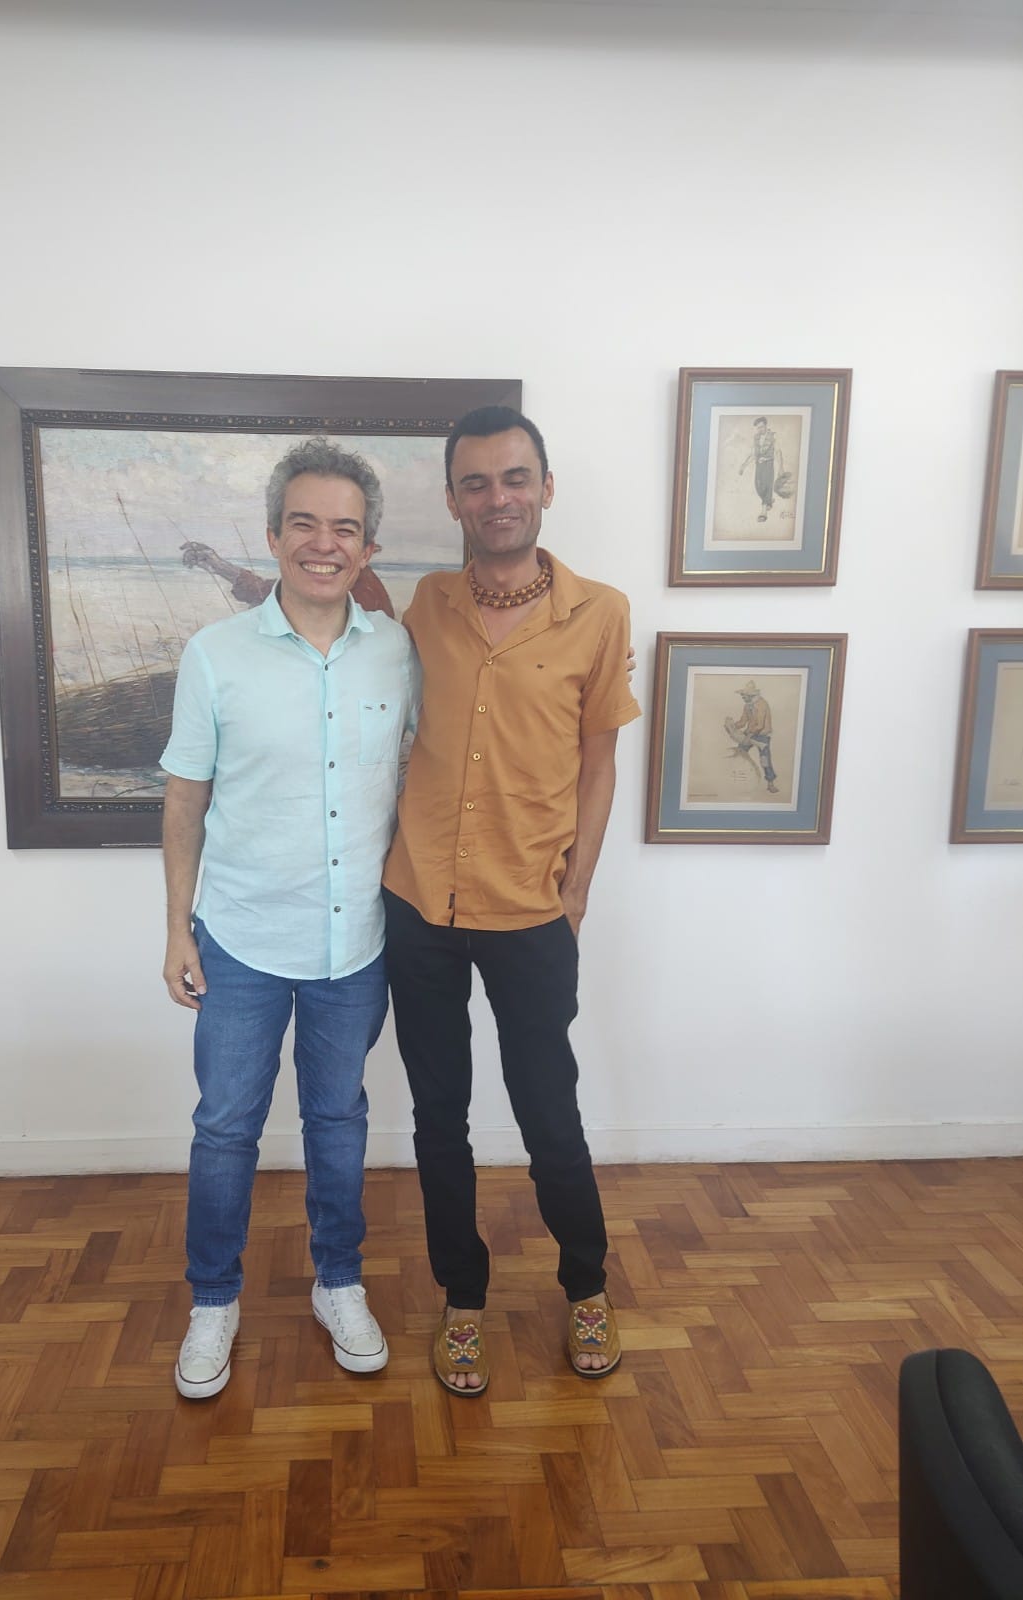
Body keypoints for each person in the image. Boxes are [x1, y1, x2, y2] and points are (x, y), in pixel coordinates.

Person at [381, 405, 641, 1394]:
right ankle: (462, 1299)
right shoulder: (426, 604)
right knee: (437, 1117)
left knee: (548, 1114)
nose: (498, 497)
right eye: (477, 482)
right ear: (453, 500)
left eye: (514, 477)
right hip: (419, 904)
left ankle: (586, 1287)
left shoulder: (600, 612)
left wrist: (575, 892)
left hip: (531, 911)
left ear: (545, 487)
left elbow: (598, 764)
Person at [160, 436, 419, 1399]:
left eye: (343, 528)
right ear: (272, 537)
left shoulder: (397, 651)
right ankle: (213, 1300)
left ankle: (337, 1282)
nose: (323, 543)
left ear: (367, 548)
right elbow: (185, 799)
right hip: (240, 938)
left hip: (355, 943)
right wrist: (176, 927)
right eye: (303, 523)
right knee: (225, 1127)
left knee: (338, 1120)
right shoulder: (215, 656)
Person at [725, 679, 778, 794]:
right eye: (742, 695)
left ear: (751, 695)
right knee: (740, 751)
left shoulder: (762, 704)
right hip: (750, 733)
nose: (742, 697)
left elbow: (760, 725)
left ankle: (770, 784)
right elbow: (743, 721)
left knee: (765, 760)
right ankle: (739, 777)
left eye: (744, 695)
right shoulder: (747, 706)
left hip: (762, 735)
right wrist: (732, 726)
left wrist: (748, 737)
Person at [738, 416, 782, 523]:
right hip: (759, 466)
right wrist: (743, 465)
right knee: (758, 486)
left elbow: (778, 452)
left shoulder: (773, 436)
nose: (760, 429)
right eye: (758, 428)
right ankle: (769, 500)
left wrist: (781, 467)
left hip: (768, 464)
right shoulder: (756, 438)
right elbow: (753, 454)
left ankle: (763, 512)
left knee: (767, 486)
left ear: (766, 425)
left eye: (761, 427)